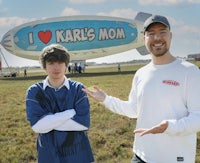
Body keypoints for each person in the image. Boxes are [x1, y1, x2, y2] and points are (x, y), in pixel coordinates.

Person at [83, 15, 200, 163]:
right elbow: (133, 110)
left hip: (175, 158)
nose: (157, 38)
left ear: (170, 35)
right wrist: (106, 99)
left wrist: (169, 126)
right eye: (151, 34)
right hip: (141, 156)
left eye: (162, 32)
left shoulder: (190, 71)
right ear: (144, 38)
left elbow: (198, 117)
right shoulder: (141, 73)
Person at [25, 44, 94, 163]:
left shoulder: (78, 89)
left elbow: (83, 124)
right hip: (49, 153)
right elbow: (37, 126)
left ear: (66, 65)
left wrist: (48, 122)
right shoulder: (35, 91)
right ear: (44, 66)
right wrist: (70, 113)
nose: (56, 67)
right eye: (51, 63)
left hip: (78, 153)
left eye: (60, 62)